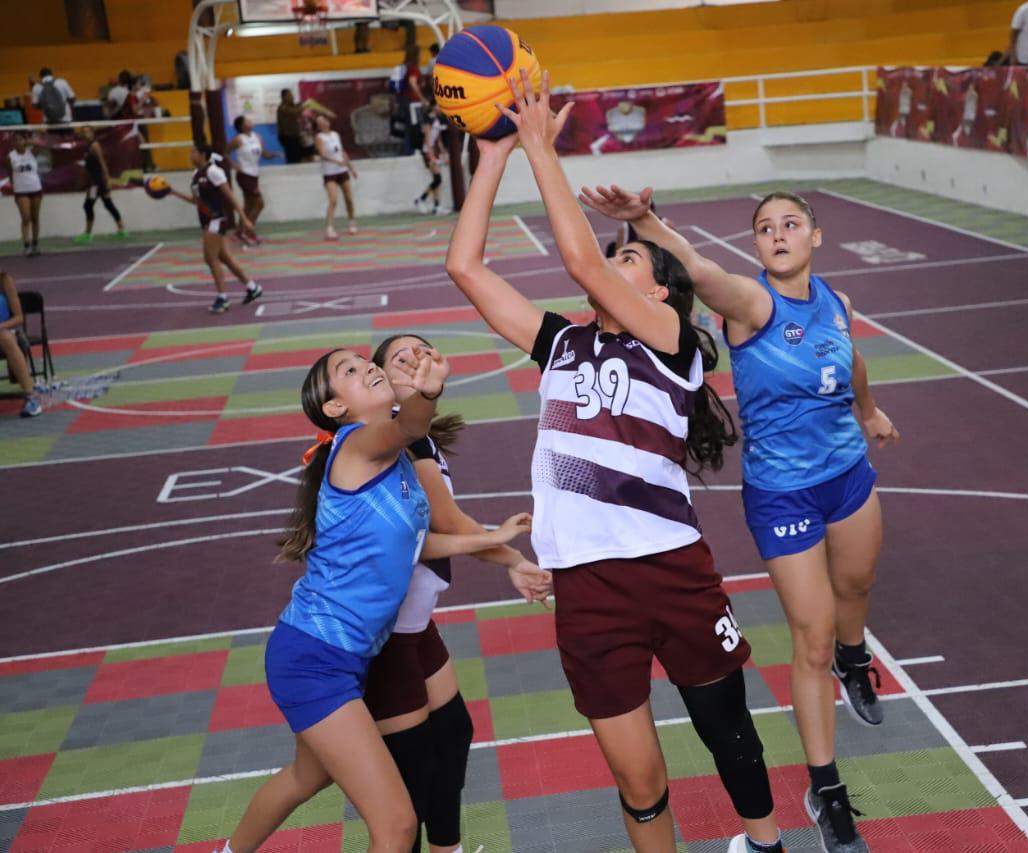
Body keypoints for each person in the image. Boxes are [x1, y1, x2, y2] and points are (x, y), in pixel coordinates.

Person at [447, 70, 787, 853]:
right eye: (617, 253)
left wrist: (543, 149)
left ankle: (767, 844)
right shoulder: (562, 342)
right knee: (639, 780)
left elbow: (580, 265)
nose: (614, 259)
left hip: (671, 566)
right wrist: (496, 150)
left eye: (631, 259)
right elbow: (466, 268)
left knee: (724, 727)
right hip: (586, 584)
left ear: (663, 296)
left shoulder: (670, 348)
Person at [581, 195, 901, 853]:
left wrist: (868, 411)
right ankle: (828, 790)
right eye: (765, 229)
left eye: (790, 225)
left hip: (848, 474)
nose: (778, 236)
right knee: (808, 639)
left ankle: (855, 652)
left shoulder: (834, 302)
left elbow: (852, 359)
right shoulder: (752, 304)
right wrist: (642, 220)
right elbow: (695, 268)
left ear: (816, 234)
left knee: (857, 587)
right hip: (783, 495)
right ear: (755, 246)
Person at [213, 344, 541, 853]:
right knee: (397, 826)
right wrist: (428, 391)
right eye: (349, 370)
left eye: (364, 362)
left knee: (307, 776)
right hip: (313, 658)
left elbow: (415, 543)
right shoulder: (358, 446)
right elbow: (407, 427)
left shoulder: (395, 464)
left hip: (345, 658)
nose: (366, 366)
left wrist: (489, 540)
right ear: (334, 408)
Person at [166, 144, 264, 313]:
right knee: (224, 258)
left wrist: (244, 218)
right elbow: (195, 200)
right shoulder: (196, 175)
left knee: (210, 259)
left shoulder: (214, 171)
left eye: (193, 152)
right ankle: (252, 287)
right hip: (206, 221)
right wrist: (172, 192)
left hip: (216, 220)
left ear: (202, 154)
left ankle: (222, 298)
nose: (190, 155)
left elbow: (230, 196)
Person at [229, 115, 281, 246]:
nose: (250, 122)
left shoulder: (257, 137)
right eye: (247, 121)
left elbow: (264, 154)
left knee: (248, 206)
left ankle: (239, 232)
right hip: (244, 175)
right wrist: (234, 165)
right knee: (259, 204)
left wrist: (274, 154)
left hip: (254, 175)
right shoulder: (238, 139)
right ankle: (249, 232)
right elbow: (224, 153)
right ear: (241, 126)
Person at [73, 127, 128, 245]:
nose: (86, 134)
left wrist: (107, 179)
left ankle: (88, 234)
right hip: (96, 181)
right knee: (108, 204)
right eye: (84, 132)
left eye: (88, 131)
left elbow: (102, 162)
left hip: (96, 183)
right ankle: (122, 230)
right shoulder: (88, 147)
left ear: (93, 133)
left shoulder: (95, 145)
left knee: (88, 205)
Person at [0, 271, 41, 418]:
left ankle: (31, 397)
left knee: (5, 337)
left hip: (8, 330)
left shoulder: (4, 280)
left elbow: (19, 318)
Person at [315, 114, 358, 240]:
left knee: (349, 198)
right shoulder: (319, 137)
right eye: (320, 122)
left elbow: (342, 152)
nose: (323, 123)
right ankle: (329, 229)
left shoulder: (335, 134)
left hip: (342, 171)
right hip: (329, 173)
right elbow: (322, 155)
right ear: (318, 126)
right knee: (333, 200)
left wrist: (351, 168)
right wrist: (336, 161)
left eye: (324, 120)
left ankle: (352, 222)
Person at [8, 132, 46, 257]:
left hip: (35, 188)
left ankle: (35, 244)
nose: (18, 142)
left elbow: (42, 145)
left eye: (21, 139)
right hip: (20, 190)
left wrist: (30, 141)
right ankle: (27, 245)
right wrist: (14, 187)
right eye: (16, 140)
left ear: (25, 141)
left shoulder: (31, 152)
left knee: (35, 217)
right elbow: (10, 173)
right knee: (26, 217)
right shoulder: (11, 156)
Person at [413, 104, 448, 215]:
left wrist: (444, 153)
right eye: (439, 106)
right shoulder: (428, 119)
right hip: (427, 151)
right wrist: (431, 156)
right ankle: (420, 199)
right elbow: (427, 139)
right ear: (434, 106)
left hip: (434, 151)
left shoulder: (438, 120)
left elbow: (438, 140)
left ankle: (437, 206)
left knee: (437, 180)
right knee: (438, 179)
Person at [276, 90, 308, 164]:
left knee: (299, 156)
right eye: (289, 95)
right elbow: (294, 112)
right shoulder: (282, 108)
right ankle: (293, 173)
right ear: (283, 97)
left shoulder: (291, 105)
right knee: (293, 158)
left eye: (292, 94)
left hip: (294, 135)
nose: (292, 96)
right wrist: (304, 106)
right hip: (287, 136)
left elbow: (297, 108)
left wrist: (302, 104)